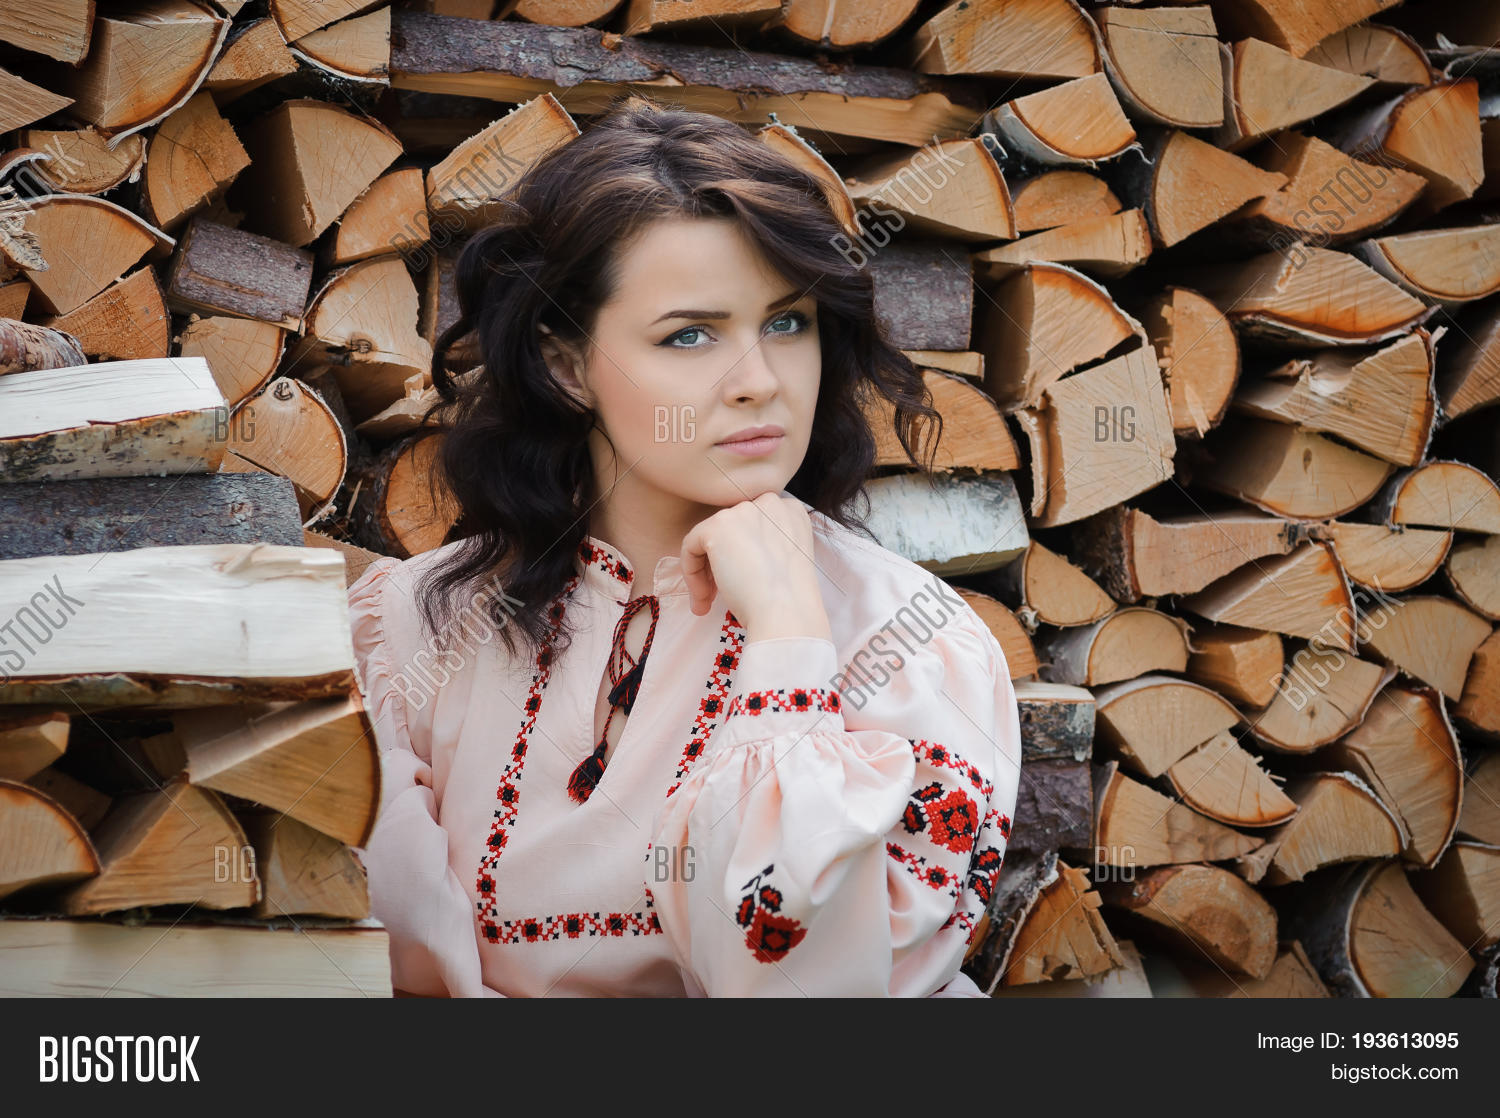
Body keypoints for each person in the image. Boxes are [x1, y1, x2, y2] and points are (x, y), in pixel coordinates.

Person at [347, 94, 1023, 997]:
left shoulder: (911, 645)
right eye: (691, 335)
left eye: (788, 322)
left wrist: (788, 642)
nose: (759, 383)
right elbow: (380, 958)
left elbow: (812, 993)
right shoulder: (416, 630)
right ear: (567, 364)